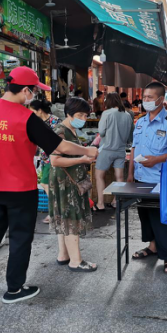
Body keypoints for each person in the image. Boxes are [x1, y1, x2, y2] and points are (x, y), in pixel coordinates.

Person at [0, 67, 98, 303]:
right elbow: (60, 147)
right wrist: (88, 150)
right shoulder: (26, 117)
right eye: (34, 91)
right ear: (25, 90)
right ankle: (14, 289)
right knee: (20, 237)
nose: (34, 96)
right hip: (20, 189)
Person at [127, 82, 167, 274]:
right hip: (141, 177)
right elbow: (134, 148)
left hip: (160, 179)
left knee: (162, 217)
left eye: (149, 97)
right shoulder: (140, 122)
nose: (145, 101)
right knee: (145, 214)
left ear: (160, 99)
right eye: (144, 97)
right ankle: (152, 247)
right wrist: (130, 173)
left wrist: (157, 159)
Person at [49, 97, 98, 272]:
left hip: (68, 180)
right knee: (71, 219)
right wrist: (82, 158)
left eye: (85, 115)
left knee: (64, 218)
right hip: (65, 182)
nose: (83, 119)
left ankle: (63, 255)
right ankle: (76, 261)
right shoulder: (60, 131)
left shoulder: (71, 129)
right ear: (68, 114)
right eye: (79, 115)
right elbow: (55, 160)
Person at [94, 93, 133, 211]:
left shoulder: (107, 113)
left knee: (99, 175)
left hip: (107, 149)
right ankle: (116, 201)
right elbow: (131, 136)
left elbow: (101, 132)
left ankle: (100, 203)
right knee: (119, 177)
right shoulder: (127, 115)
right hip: (121, 150)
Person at [29, 99, 61, 224]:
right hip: (44, 158)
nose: (30, 113)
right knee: (49, 185)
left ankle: (55, 213)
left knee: (46, 184)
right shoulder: (38, 122)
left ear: (39, 110)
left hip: (52, 158)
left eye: (32, 110)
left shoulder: (54, 121)